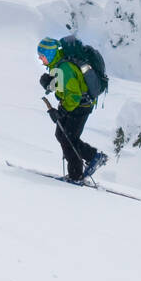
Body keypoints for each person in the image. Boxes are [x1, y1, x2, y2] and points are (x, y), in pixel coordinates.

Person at [37, 37, 104, 181]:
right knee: (63, 135)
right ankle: (89, 161)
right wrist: (50, 84)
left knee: (68, 138)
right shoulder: (59, 65)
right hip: (76, 105)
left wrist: (60, 112)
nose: (40, 59)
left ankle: (79, 173)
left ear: (49, 54)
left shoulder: (64, 67)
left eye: (42, 56)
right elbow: (66, 87)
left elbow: (73, 96)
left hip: (80, 106)